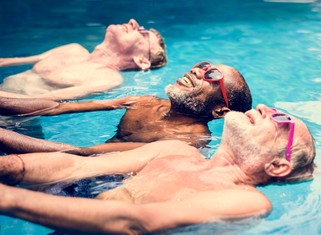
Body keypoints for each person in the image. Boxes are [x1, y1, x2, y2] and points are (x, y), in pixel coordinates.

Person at [0, 104, 316, 235]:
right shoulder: (176, 150)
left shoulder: (248, 201)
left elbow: (135, 223)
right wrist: (11, 167)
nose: (265, 108)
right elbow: (72, 165)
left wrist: (8, 198)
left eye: (282, 119)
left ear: (278, 165)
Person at [0, 63, 252, 154]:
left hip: (95, 187)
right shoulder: (147, 101)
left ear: (220, 111)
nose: (197, 70)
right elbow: (56, 108)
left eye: (212, 75)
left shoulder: (189, 141)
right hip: (66, 161)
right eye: (203, 65)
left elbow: (85, 153)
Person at [0, 19, 166, 100]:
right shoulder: (72, 49)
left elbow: (44, 102)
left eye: (142, 33)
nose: (133, 22)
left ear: (142, 61)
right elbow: (6, 62)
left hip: (12, 120)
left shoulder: (107, 79)